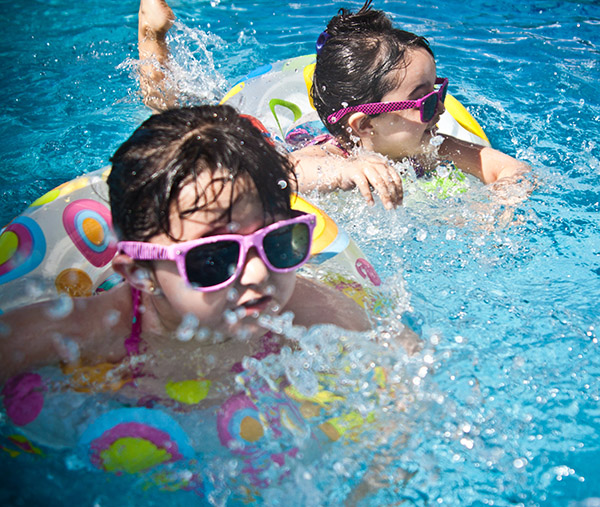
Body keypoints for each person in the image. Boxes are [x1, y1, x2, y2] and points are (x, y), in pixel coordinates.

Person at [0, 105, 370, 391]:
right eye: (214, 258)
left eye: (276, 242)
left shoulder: (313, 314)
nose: (258, 273)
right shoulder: (85, 333)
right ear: (140, 273)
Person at [291, 0, 530, 208]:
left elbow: (513, 170)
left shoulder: (431, 148)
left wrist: (500, 206)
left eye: (437, 93)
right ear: (365, 124)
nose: (441, 110)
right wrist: (342, 173)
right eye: (424, 102)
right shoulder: (332, 157)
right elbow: (277, 176)